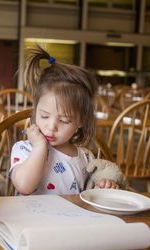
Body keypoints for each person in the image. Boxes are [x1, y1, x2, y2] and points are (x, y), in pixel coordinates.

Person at [10, 45, 121, 196]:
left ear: (81, 121)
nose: (51, 126)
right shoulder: (24, 150)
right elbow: (24, 186)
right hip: (31, 219)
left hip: (70, 220)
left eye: (64, 120)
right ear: (36, 111)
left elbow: (88, 195)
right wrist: (40, 147)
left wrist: (102, 187)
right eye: (44, 116)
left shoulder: (85, 157)